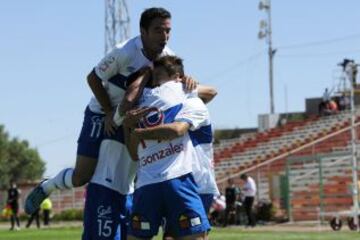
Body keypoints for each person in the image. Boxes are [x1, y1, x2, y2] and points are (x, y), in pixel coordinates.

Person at [25, 7, 195, 215]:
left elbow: (177, 85)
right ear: (143, 31)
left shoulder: (169, 57)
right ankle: (48, 186)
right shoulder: (124, 52)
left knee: (129, 175)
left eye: (168, 31)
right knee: (82, 176)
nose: (165, 36)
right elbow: (93, 78)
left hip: (131, 118)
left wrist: (188, 80)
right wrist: (107, 112)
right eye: (158, 30)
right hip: (100, 112)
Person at [123, 55, 211, 240]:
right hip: (154, 183)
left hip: (175, 179)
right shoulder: (144, 104)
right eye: (153, 78)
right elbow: (133, 155)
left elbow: (178, 129)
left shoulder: (185, 96)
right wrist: (128, 128)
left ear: (178, 77)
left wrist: (138, 133)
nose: (155, 83)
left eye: (158, 76)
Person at [82, 127, 136, 240]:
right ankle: (49, 185)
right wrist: (109, 111)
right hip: (105, 189)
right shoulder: (112, 116)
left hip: (129, 193)